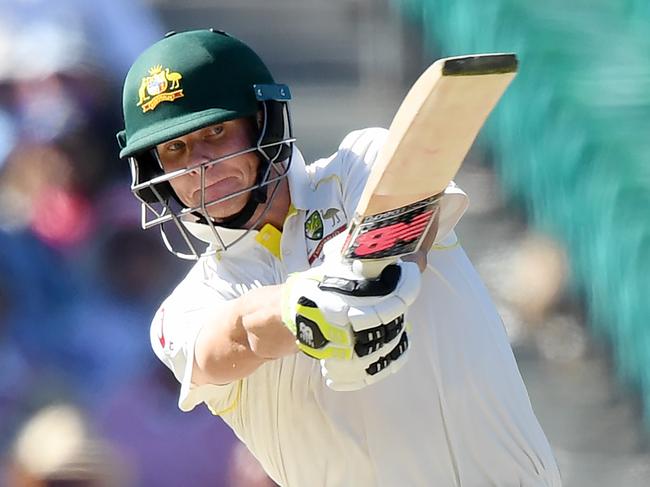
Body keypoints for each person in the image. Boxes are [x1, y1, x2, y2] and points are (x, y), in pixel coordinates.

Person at [117, 29, 562, 486]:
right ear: (156, 171)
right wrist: (299, 308)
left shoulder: (359, 167)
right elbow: (233, 338)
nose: (200, 163)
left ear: (262, 122)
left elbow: (407, 237)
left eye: (216, 130)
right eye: (175, 149)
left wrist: (365, 275)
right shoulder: (185, 309)